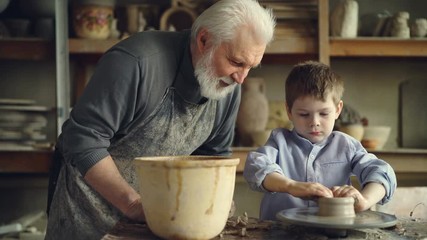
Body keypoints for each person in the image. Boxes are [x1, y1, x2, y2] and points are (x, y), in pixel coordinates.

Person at [45, 0, 276, 239]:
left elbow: (213, 155)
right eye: (237, 62)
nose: (241, 78)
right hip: (89, 215)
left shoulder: (229, 86)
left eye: (251, 67)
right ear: (204, 40)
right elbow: (83, 139)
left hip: (158, 220)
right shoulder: (135, 62)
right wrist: (133, 205)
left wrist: (213, 204)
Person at [243, 61, 397, 221]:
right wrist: (291, 186)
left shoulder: (346, 145)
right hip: (280, 232)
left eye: (324, 114)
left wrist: (364, 200)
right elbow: (256, 166)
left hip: (332, 232)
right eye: (304, 114)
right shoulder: (279, 141)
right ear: (289, 111)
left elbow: (382, 172)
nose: (314, 122)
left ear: (338, 109)